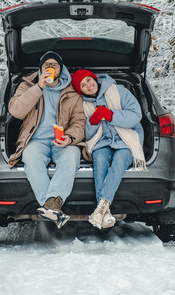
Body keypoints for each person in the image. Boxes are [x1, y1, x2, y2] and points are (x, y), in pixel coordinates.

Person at [8, 51, 86, 228]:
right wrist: (38, 88)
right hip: (36, 141)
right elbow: (16, 110)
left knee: (71, 156)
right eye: (46, 66)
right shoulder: (28, 85)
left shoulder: (72, 90)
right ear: (41, 69)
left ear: (61, 68)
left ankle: (50, 207)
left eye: (54, 65)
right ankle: (52, 207)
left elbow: (80, 122)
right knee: (31, 157)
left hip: (63, 141)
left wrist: (70, 137)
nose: (50, 68)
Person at [71, 69, 147, 230]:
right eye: (83, 85)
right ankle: (104, 213)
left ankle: (101, 209)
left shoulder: (119, 91)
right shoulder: (84, 104)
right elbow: (87, 135)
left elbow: (136, 115)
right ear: (80, 90)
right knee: (100, 161)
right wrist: (93, 121)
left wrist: (111, 115)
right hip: (102, 141)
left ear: (94, 78)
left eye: (88, 80)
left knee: (119, 161)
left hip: (126, 140)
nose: (88, 86)